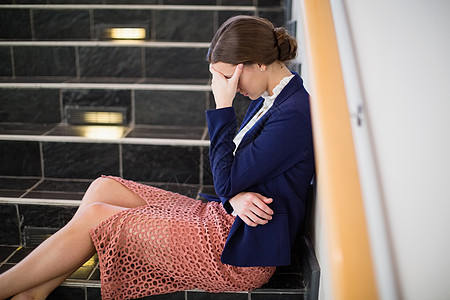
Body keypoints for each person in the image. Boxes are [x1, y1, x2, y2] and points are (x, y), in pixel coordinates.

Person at [0, 15, 314, 300]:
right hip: (225, 217)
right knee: (102, 188)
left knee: (98, 216)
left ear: (259, 63)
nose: (226, 86)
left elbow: (227, 180)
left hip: (241, 253)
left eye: (229, 77)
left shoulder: (293, 113)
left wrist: (223, 107)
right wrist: (234, 198)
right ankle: (33, 295)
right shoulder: (273, 98)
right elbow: (235, 180)